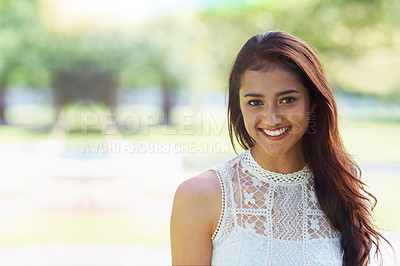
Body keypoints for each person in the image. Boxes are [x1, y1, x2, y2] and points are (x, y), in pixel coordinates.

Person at [170, 31, 388, 266]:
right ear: (239, 106)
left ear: (312, 102)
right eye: (255, 103)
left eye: (287, 100)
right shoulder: (199, 196)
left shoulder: (343, 188)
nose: (271, 118)